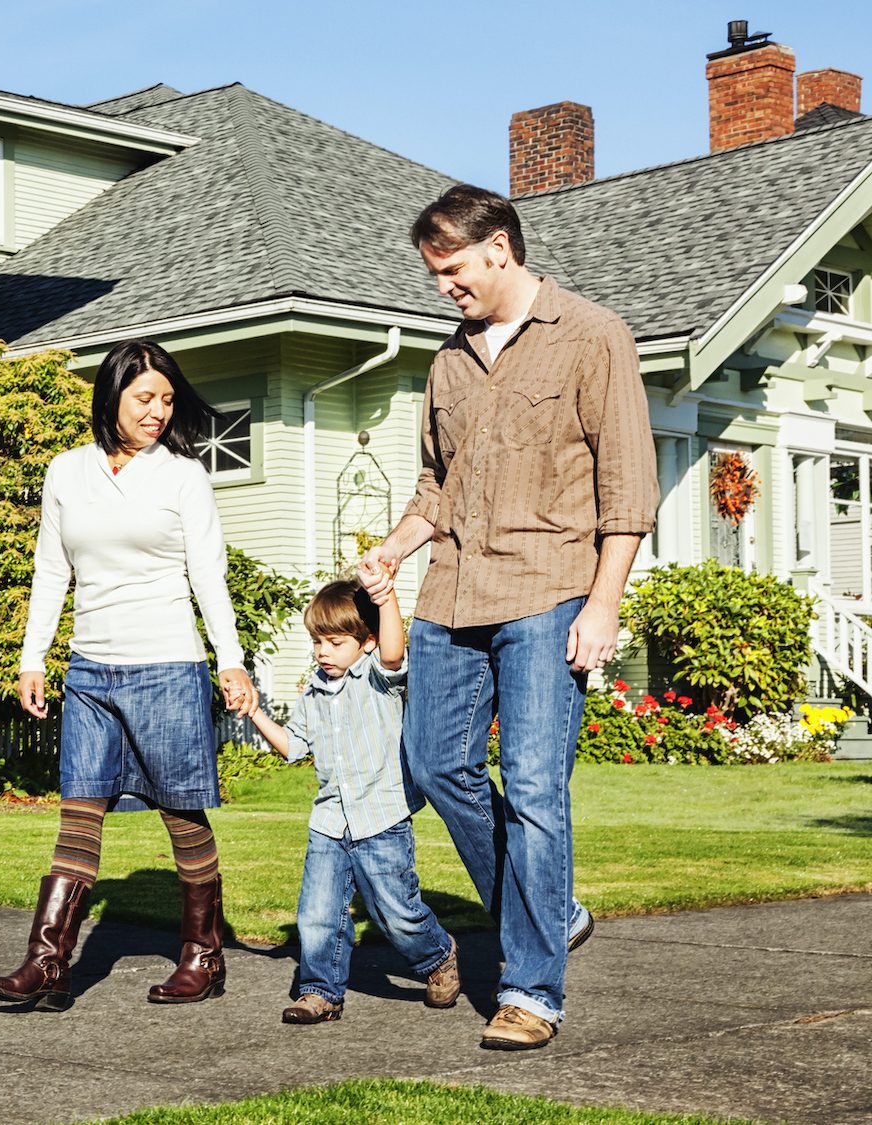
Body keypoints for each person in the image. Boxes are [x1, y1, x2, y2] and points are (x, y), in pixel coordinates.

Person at [359, 185, 657, 1050]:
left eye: (451, 271)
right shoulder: (448, 361)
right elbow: (435, 487)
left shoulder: (594, 337)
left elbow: (627, 488)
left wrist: (603, 603)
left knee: (533, 787)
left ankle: (531, 990)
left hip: (551, 589)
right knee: (432, 760)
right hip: (453, 593)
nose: (443, 287)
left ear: (499, 248)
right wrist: (392, 549)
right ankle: (553, 907)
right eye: (433, 274)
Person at [0, 339, 259, 1011]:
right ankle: (47, 962)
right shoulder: (66, 472)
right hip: (92, 669)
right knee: (80, 807)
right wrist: (32, 656)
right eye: (144, 398)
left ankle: (203, 955)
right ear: (112, 396)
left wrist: (231, 657)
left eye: (166, 399)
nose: (158, 410)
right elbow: (52, 569)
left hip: (167, 662)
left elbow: (207, 574)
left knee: (180, 811)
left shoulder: (182, 475)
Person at [247, 576, 460, 1024]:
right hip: (329, 822)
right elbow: (293, 747)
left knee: (396, 913)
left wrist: (385, 599)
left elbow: (395, 652)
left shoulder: (379, 678)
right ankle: (320, 992)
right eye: (317, 642)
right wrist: (254, 712)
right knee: (317, 914)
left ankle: (439, 954)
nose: (323, 651)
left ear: (364, 642)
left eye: (335, 641)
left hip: (381, 816)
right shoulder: (313, 691)